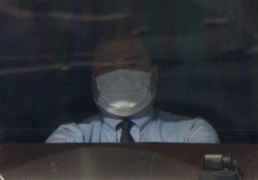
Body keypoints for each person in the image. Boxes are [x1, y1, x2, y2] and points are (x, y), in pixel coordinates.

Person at [47, 30, 217, 144]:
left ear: (154, 74)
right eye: (107, 66)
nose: (120, 74)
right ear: (93, 80)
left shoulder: (190, 133)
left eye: (132, 64)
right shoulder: (73, 137)